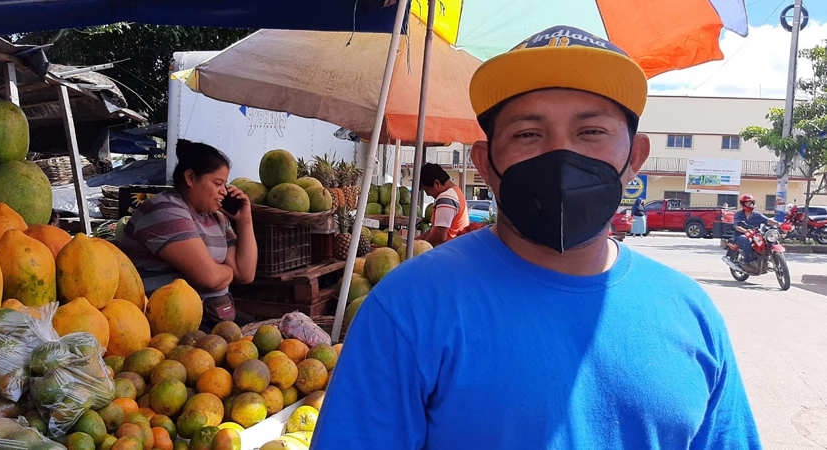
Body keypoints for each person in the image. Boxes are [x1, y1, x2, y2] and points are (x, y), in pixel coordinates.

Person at [312, 25, 761, 449]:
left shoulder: (691, 313)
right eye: (528, 133)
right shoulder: (407, 308)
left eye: (591, 131)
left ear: (635, 157)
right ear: (486, 164)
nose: (560, 154)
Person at [120, 140, 258, 331]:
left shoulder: (217, 217)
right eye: (218, 183)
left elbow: (245, 274)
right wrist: (227, 271)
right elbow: (209, 279)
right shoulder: (164, 209)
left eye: (225, 184)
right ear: (191, 178)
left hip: (213, 315)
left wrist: (245, 220)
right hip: (169, 322)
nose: (223, 191)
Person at [416, 163, 469, 246]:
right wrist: (415, 241)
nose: (428, 194)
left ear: (437, 183)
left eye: (427, 189)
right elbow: (434, 231)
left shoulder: (446, 198)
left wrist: (419, 247)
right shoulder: (456, 192)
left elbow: (439, 237)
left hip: (449, 249)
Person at [734, 193, 778, 271]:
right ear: (743, 204)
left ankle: (766, 260)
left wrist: (778, 224)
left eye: (751, 203)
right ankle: (747, 263)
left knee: (767, 241)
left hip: (755, 235)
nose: (749, 204)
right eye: (747, 203)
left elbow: (768, 220)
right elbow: (737, 226)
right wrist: (745, 231)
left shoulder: (757, 214)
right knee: (748, 240)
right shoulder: (739, 215)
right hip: (741, 236)